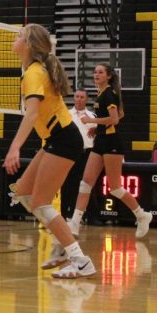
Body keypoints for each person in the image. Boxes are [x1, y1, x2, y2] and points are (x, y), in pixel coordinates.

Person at [3, 24, 94, 279]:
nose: (14, 38)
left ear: (29, 44)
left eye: (19, 36)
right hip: (55, 139)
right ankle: (64, 246)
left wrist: (14, 148)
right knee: (23, 193)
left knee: (40, 202)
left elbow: (31, 114)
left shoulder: (33, 72)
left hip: (63, 139)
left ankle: (80, 260)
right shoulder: (34, 69)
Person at [67, 63, 152, 238]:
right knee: (85, 183)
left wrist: (92, 122)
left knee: (115, 188)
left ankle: (142, 215)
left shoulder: (109, 94)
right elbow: (120, 114)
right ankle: (74, 224)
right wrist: (97, 128)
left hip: (113, 143)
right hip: (101, 141)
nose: (96, 74)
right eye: (95, 72)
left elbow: (115, 119)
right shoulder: (101, 94)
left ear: (109, 76)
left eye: (100, 72)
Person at [64, 89, 95, 217]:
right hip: (70, 153)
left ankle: (89, 215)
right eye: (77, 96)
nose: (79, 99)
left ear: (86, 99)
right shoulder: (66, 114)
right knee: (68, 183)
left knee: (87, 184)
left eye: (82, 97)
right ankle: (66, 213)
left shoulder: (92, 116)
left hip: (87, 154)